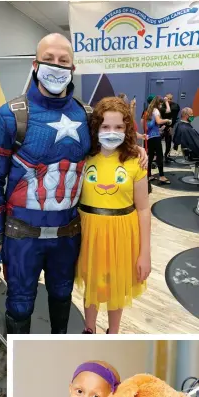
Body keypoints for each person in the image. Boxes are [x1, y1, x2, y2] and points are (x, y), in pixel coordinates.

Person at [0, 33, 148, 335]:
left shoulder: (86, 116)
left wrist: (136, 150)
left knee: (61, 296)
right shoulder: (8, 116)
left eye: (64, 61)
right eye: (49, 59)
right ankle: (20, 364)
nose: (56, 66)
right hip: (21, 236)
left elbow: (111, 147)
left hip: (68, 235)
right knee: (19, 303)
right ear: (35, 64)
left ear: (73, 68)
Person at [76, 97, 151, 334]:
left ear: (127, 128)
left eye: (119, 127)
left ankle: (114, 332)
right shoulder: (84, 157)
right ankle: (89, 329)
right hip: (88, 232)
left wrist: (145, 253)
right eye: (105, 127)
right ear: (96, 127)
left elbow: (143, 208)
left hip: (121, 234)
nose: (112, 132)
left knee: (115, 285)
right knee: (92, 284)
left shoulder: (134, 161)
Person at [145, 96, 172, 184]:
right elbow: (159, 121)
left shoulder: (149, 110)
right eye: (161, 104)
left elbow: (150, 125)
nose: (161, 106)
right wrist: (167, 120)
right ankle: (162, 176)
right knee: (159, 155)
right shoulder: (156, 110)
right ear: (158, 103)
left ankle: (148, 175)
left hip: (150, 136)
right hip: (155, 137)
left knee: (150, 156)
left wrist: (159, 129)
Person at [161, 93, 180, 162]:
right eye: (167, 98)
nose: (169, 100)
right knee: (157, 141)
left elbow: (174, 117)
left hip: (169, 126)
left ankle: (166, 155)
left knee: (168, 142)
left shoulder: (175, 106)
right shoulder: (162, 105)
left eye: (170, 99)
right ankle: (156, 155)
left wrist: (171, 127)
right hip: (161, 125)